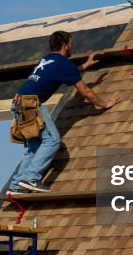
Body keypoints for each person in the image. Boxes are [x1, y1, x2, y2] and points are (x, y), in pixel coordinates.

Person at [9, 30, 121, 193]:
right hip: (31, 104)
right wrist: (105, 104)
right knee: (52, 140)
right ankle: (30, 178)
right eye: (71, 44)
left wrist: (85, 66)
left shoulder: (48, 59)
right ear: (65, 45)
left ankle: (15, 185)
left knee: (35, 147)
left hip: (18, 102)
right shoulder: (64, 63)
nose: (71, 47)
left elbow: (68, 72)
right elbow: (86, 92)